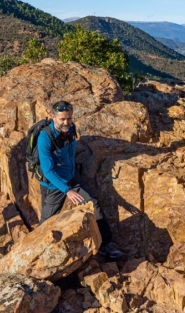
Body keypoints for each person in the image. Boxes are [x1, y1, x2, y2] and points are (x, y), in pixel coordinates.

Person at [37, 100, 124, 259]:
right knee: (47, 222)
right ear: (53, 117)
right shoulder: (45, 138)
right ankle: (35, 253)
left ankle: (106, 244)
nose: (66, 122)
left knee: (92, 203)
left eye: (69, 118)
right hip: (53, 185)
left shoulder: (71, 129)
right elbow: (47, 170)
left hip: (72, 177)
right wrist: (67, 190)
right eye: (62, 119)